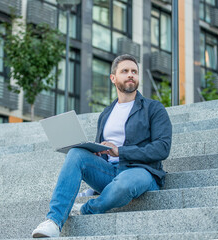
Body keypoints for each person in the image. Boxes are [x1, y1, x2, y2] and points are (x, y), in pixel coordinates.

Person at [32, 54, 172, 238]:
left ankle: (88, 208)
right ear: (113, 78)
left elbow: (162, 148)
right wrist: (97, 152)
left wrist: (120, 151)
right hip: (109, 172)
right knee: (76, 153)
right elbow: (103, 152)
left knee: (124, 183)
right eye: (125, 71)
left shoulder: (154, 108)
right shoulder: (106, 114)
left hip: (141, 172)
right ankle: (53, 221)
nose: (131, 75)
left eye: (134, 72)